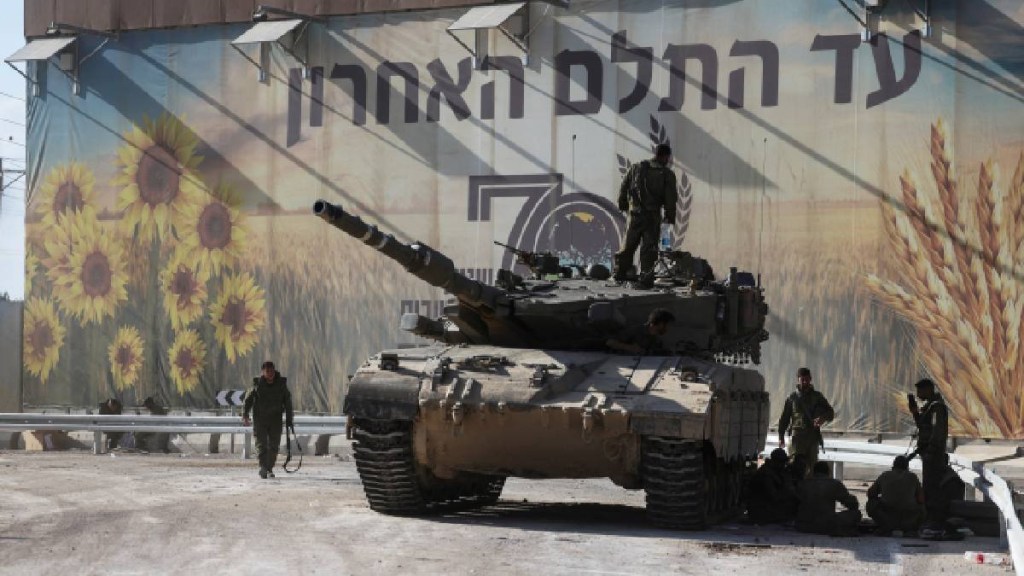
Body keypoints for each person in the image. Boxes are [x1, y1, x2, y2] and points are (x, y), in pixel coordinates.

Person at [613, 144, 678, 285]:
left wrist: (623, 205)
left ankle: (619, 274)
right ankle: (646, 278)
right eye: (668, 158)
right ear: (665, 156)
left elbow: (623, 188)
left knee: (627, 246)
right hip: (652, 217)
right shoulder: (666, 174)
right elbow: (670, 199)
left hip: (634, 215)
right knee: (649, 249)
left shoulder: (635, 168)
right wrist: (670, 217)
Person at [908, 378, 949, 531]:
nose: (918, 394)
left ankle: (935, 519)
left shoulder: (936, 407)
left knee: (932, 487)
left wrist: (931, 450)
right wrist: (915, 413)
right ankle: (930, 518)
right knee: (928, 486)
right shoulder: (930, 406)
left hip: (933, 454)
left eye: (920, 390)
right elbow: (923, 427)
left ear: (928, 389)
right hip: (928, 453)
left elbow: (937, 431)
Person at [243, 361, 294, 479]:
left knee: (274, 445)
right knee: (261, 444)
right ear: (263, 372)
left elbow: (288, 402)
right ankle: (263, 467)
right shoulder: (257, 385)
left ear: (274, 371)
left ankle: (269, 467)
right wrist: (245, 414)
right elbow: (248, 400)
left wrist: (289, 419)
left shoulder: (281, 384)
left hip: (275, 419)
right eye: (267, 371)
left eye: (271, 371)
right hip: (260, 419)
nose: (270, 374)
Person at [778, 367, 834, 473]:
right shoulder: (792, 398)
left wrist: (822, 418)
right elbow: (785, 418)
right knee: (794, 466)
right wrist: (781, 436)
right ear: (798, 379)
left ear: (810, 379)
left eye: (807, 379)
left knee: (812, 467)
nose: (804, 382)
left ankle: (809, 483)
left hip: (812, 436)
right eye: (802, 379)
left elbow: (831, 413)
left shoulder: (817, 397)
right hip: (797, 437)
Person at [796, 461, 862, 536]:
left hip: (804, 526)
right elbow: (852, 504)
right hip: (826, 525)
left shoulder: (803, 483)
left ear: (813, 472)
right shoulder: (834, 484)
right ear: (828, 471)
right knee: (856, 513)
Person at [866, 455, 924, 535]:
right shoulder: (913, 477)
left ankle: (885, 527)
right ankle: (911, 528)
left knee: (871, 504)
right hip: (908, 517)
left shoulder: (885, 475)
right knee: (923, 507)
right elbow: (921, 499)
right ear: (907, 466)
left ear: (894, 465)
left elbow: (870, 493)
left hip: (887, 515)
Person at [746, 448, 798, 524]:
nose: (784, 465)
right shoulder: (766, 473)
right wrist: (788, 490)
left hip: (766, 509)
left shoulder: (773, 472)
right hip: (762, 511)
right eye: (782, 462)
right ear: (776, 461)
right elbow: (774, 496)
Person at [605, 308, 675, 355]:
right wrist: (629, 347)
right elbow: (609, 342)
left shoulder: (655, 339)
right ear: (661, 324)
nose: (669, 328)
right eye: (668, 325)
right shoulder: (636, 331)